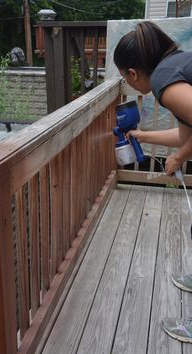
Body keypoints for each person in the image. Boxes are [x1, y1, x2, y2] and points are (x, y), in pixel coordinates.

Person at [114, 20, 192, 344]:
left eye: (125, 79)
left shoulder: (163, 80)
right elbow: (186, 134)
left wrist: (178, 158)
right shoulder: (176, 66)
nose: (129, 85)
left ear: (133, 73)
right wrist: (143, 135)